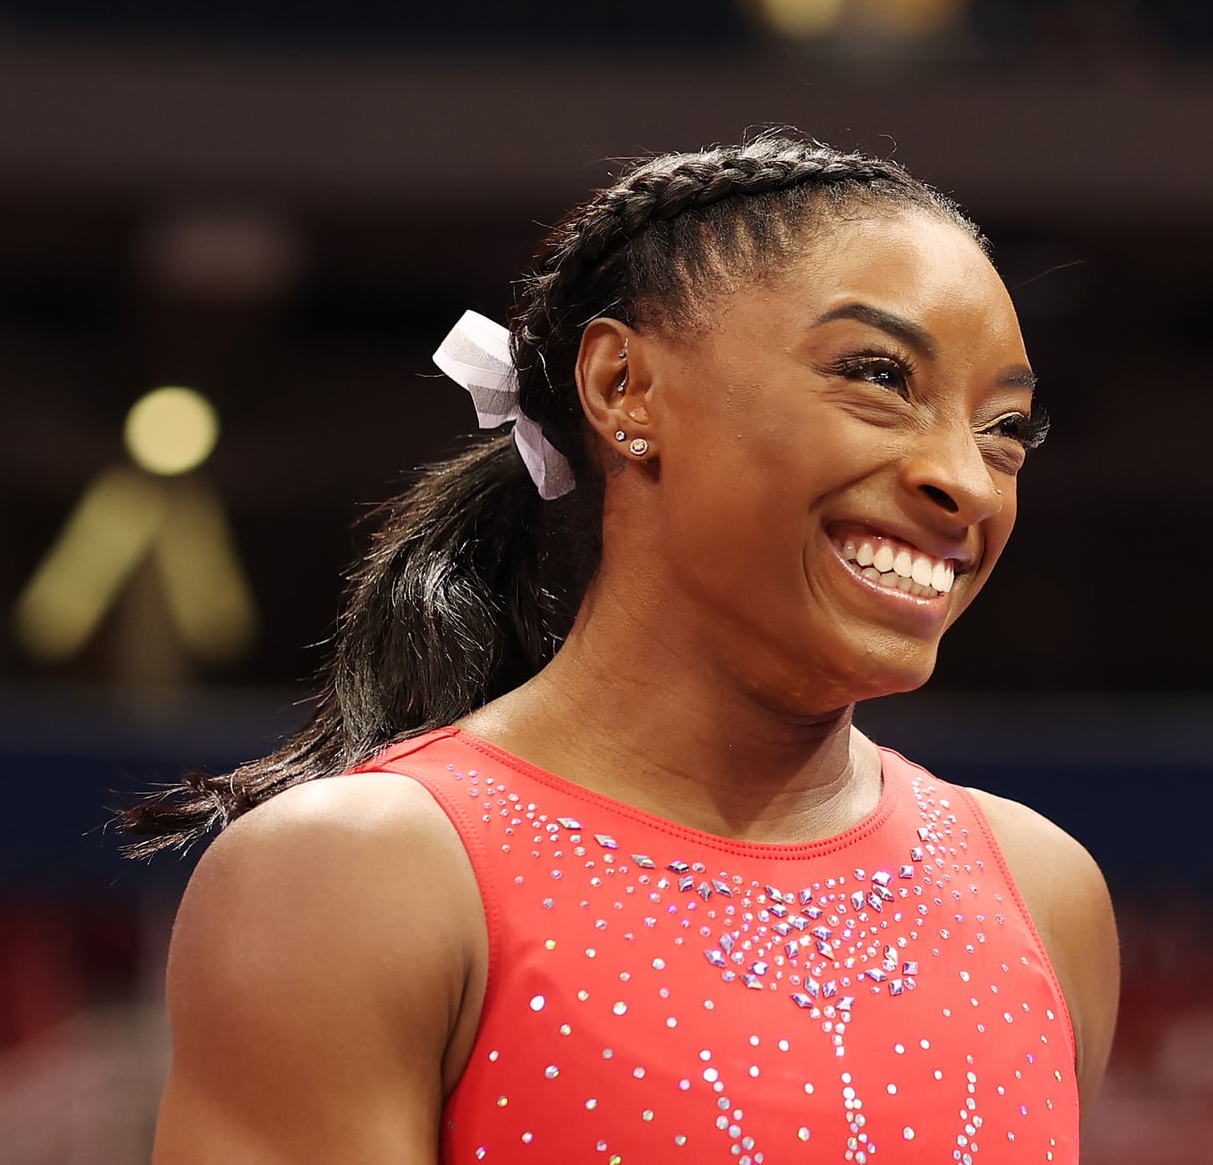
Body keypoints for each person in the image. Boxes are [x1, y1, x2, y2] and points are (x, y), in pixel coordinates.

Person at [123, 133, 1120, 1164]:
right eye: (877, 375)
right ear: (623, 385)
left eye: (1005, 426)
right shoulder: (358, 880)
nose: (965, 478)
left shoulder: (1040, 889)